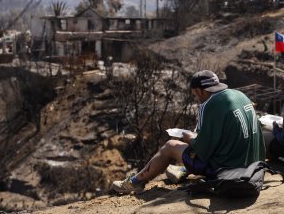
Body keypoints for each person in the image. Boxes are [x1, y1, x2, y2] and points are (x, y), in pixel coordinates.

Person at [112, 70, 266, 194]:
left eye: (195, 94)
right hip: (253, 165)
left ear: (199, 91)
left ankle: (134, 183)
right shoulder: (240, 95)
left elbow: (203, 151)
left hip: (229, 170)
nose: (196, 97)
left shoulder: (210, 105)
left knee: (170, 146)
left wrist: (190, 138)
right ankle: (183, 169)